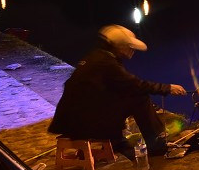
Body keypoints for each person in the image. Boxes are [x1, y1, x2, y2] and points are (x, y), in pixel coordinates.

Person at [48, 25, 187, 158]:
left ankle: (117, 140)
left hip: (73, 121)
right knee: (140, 98)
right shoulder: (106, 63)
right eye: (130, 47)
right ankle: (156, 145)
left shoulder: (97, 56)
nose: (133, 50)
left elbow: (116, 88)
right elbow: (135, 85)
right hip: (83, 125)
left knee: (126, 96)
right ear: (120, 47)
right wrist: (167, 88)